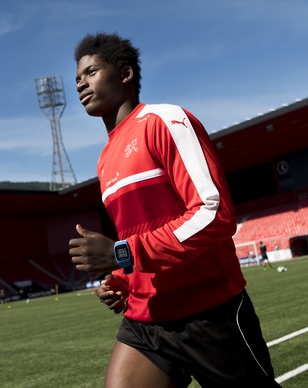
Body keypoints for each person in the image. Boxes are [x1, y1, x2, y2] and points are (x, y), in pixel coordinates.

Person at [68, 32, 279, 387]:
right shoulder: (104, 160)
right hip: (146, 316)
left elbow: (213, 213)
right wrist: (122, 278)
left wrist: (122, 254)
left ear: (125, 74)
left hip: (210, 313)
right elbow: (140, 234)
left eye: (91, 72)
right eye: (77, 79)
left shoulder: (164, 121)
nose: (80, 84)